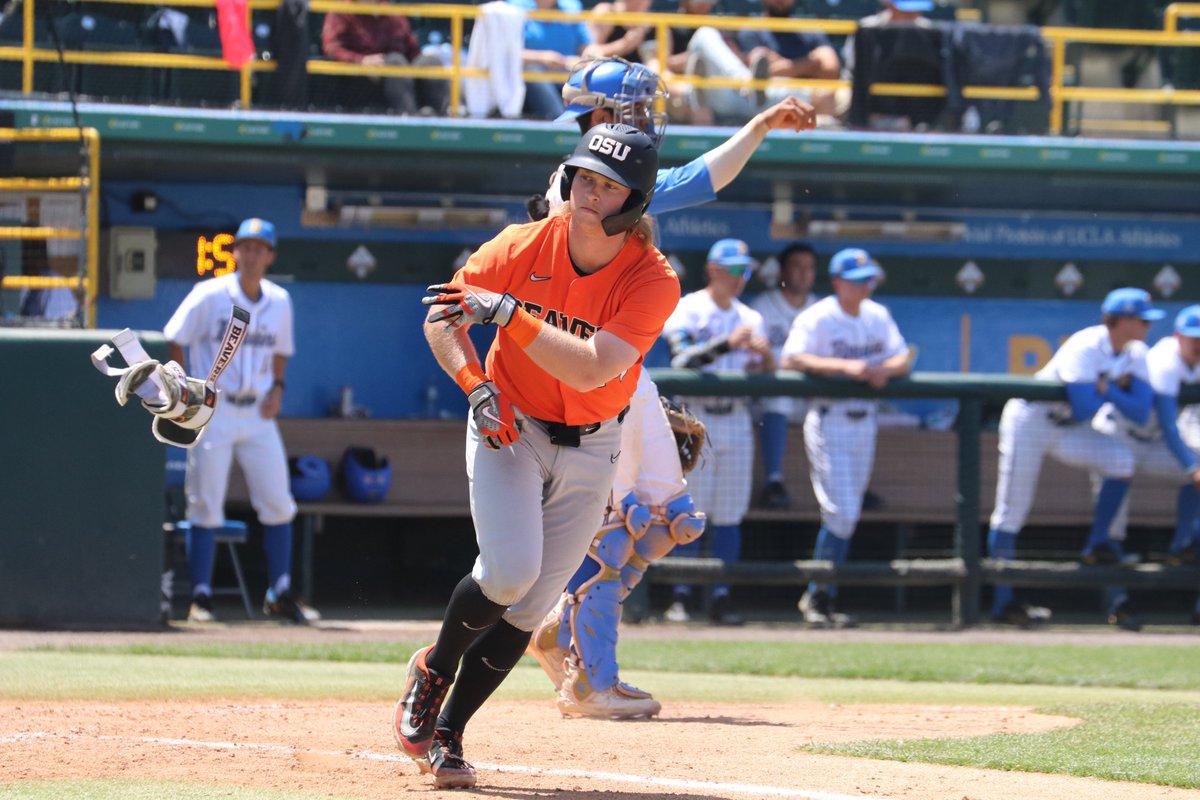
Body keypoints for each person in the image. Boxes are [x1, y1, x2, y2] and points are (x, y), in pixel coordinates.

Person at [526, 56, 816, 720]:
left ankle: (558, 637)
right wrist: (761, 126)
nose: (647, 118)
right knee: (613, 526)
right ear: (598, 119)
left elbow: (695, 177)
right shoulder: (586, 185)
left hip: (624, 369)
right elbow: (698, 179)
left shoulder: (622, 179)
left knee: (668, 519)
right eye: (632, 109)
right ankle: (589, 678)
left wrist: (763, 123)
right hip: (585, 372)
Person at [393, 122, 677, 790]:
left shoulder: (652, 278)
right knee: (509, 572)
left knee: (530, 608)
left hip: (593, 442)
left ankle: (450, 735)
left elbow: (592, 369)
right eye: (584, 176)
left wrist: (512, 314)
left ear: (632, 204)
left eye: (608, 186)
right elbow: (443, 314)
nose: (588, 192)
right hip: (509, 426)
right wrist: (476, 385)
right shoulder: (522, 244)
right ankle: (434, 668)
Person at [164, 217, 318, 625]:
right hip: (213, 409)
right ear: (234, 252)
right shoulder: (209, 294)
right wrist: (184, 390)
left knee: (278, 503)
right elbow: (174, 336)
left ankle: (280, 592)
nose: (251, 255)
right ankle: (201, 596)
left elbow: (280, 350)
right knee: (204, 504)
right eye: (245, 247)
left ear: (270, 255)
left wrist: (279, 388)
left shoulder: (280, 300)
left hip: (257, 413)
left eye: (259, 248)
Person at [985, 287, 1160, 628]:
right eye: (1141, 320)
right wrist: (1113, 390)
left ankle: (1097, 545)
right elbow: (1083, 405)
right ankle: (1002, 603)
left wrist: (1106, 389)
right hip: (1032, 420)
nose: (1147, 326)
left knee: (1120, 461)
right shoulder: (1086, 344)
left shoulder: (1137, 352)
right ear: (1121, 320)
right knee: (1011, 510)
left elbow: (1140, 412)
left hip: (1069, 427)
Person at [780, 248, 912, 629]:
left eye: (869, 279)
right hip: (829, 418)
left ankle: (823, 595)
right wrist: (846, 367)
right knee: (841, 512)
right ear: (838, 282)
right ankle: (819, 595)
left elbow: (902, 359)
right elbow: (792, 359)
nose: (866, 285)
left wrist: (881, 369)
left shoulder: (877, 315)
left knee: (847, 516)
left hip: (863, 422)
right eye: (858, 280)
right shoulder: (819, 316)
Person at [662, 238, 774, 626]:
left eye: (746, 271)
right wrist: (728, 343)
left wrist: (766, 358)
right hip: (695, 420)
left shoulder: (751, 317)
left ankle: (721, 596)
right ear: (713, 270)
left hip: (737, 418)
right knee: (690, 509)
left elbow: (767, 374)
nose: (742, 278)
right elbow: (682, 359)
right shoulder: (689, 308)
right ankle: (680, 593)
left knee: (729, 514)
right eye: (734, 270)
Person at [1090, 304, 1200, 628]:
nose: (1199, 344)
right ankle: (1117, 604)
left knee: (1193, 472)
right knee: (1113, 530)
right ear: (1178, 336)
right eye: (1194, 338)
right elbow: (1168, 423)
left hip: (1151, 444)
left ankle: (1182, 545)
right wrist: (1191, 466)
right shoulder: (1165, 359)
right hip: (1115, 437)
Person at [683, 0, 840, 123]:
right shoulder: (751, 30)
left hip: (782, 97)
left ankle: (746, 83)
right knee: (704, 33)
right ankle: (743, 81)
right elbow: (756, 63)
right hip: (741, 97)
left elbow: (831, 67)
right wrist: (810, 63)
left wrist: (780, 64)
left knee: (825, 94)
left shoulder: (809, 31)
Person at [749, 241, 819, 509]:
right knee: (778, 399)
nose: (803, 274)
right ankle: (773, 481)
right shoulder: (762, 307)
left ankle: (861, 487)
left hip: (808, 397)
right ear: (781, 272)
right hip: (765, 400)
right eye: (797, 267)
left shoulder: (819, 309)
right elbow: (751, 363)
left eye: (809, 268)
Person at [320, 0, 448, 115]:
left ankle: (439, 118)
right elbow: (332, 48)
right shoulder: (341, 9)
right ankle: (410, 119)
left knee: (430, 61)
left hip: (400, 72)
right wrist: (361, 61)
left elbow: (412, 49)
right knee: (395, 62)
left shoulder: (391, 11)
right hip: (360, 77)